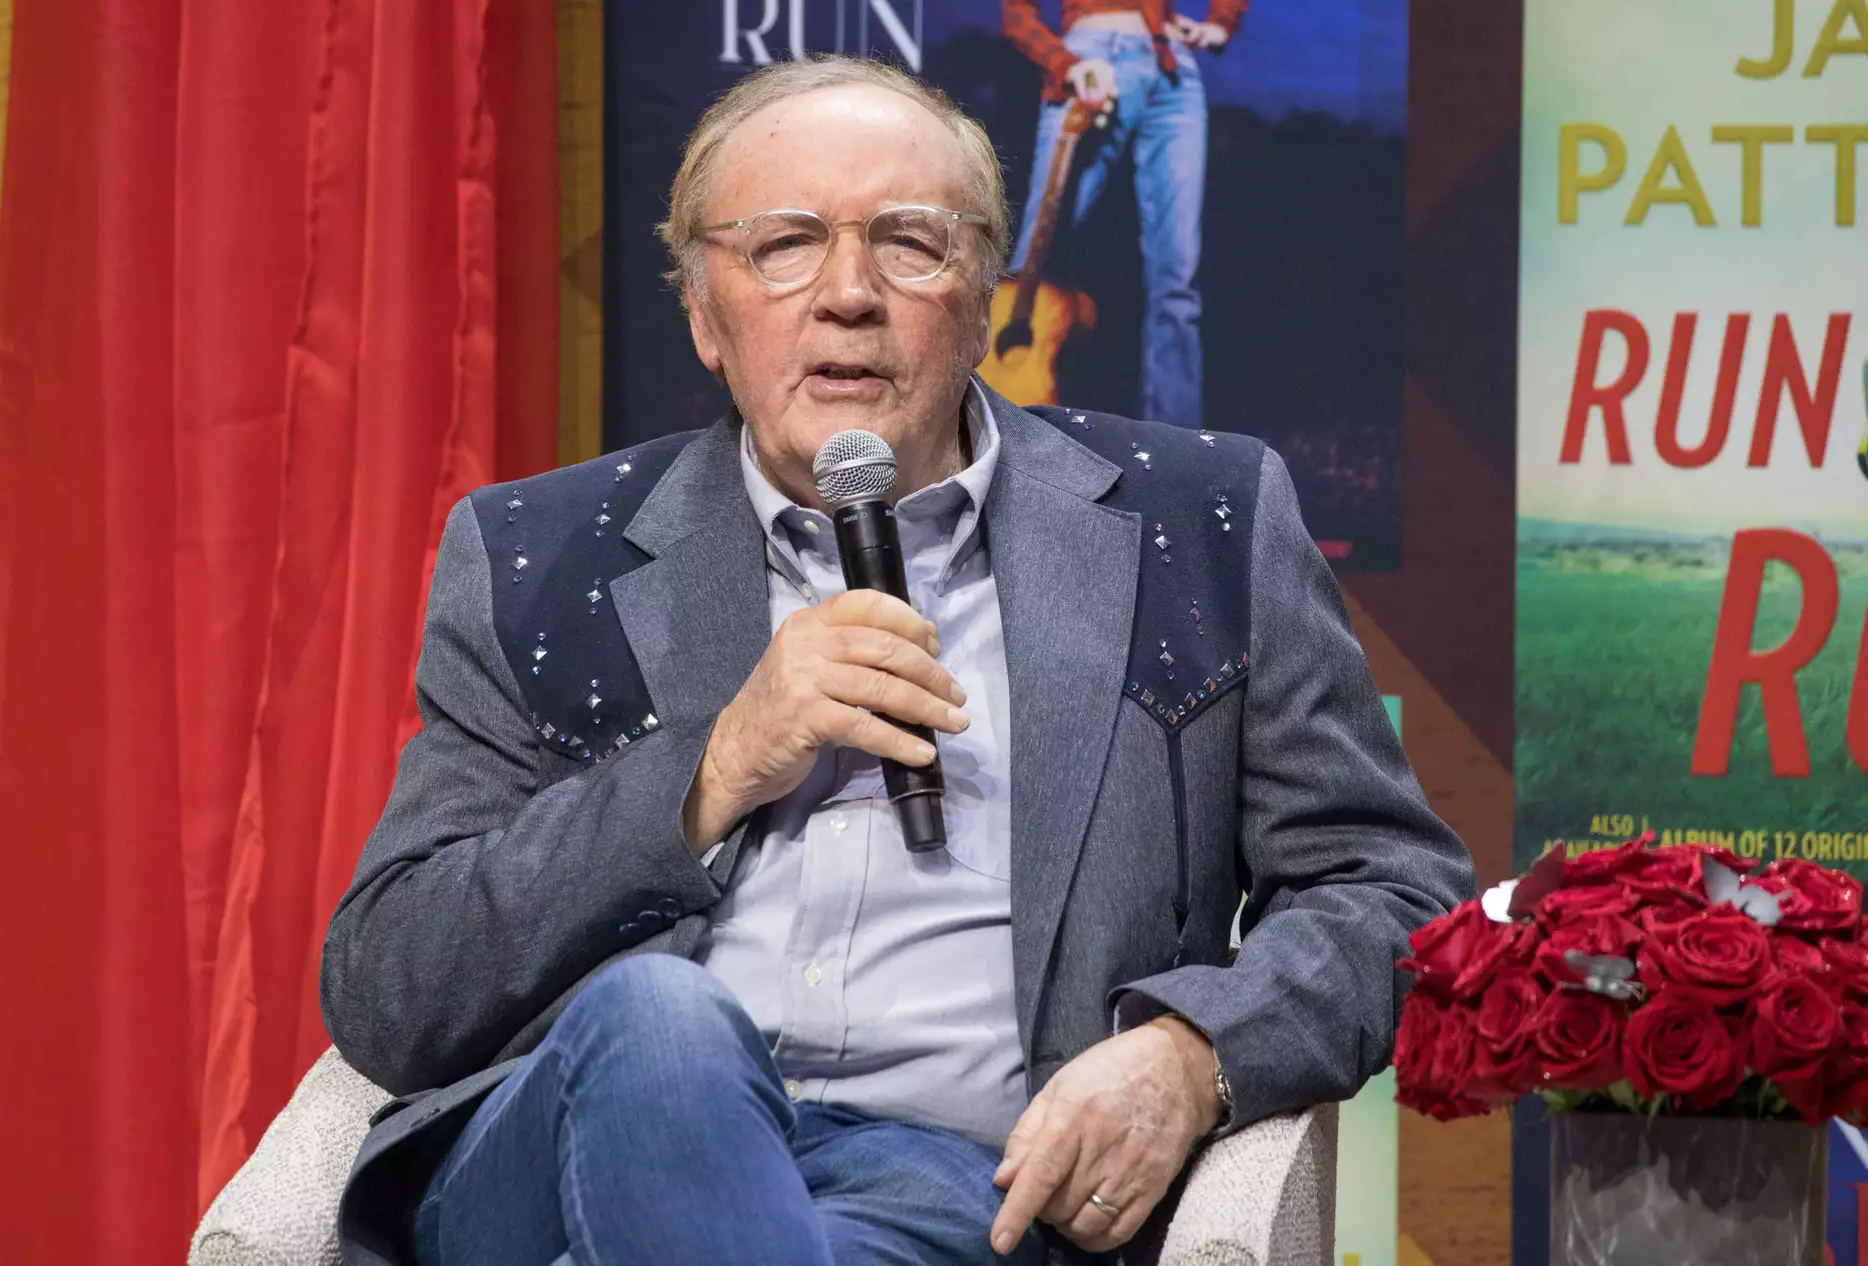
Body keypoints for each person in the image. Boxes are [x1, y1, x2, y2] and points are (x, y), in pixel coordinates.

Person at [321, 55, 1471, 1266]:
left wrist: (1194, 1054)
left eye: (910, 244)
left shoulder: (1196, 523)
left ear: (982, 296)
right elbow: (392, 983)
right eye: (783, 246)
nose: (847, 295)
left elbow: (1392, 891)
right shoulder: (543, 552)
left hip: (945, 1181)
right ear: (704, 314)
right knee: (659, 1022)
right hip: (575, 1144)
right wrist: (711, 770)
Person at [1001, 0, 1249, 430]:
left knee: (1177, 279)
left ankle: (1178, 449)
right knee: (1037, 260)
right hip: (1095, 57)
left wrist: (1221, 23)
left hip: (1172, 67)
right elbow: (1016, 13)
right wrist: (1066, 64)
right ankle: (1005, 427)